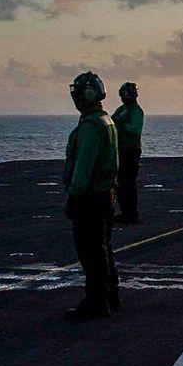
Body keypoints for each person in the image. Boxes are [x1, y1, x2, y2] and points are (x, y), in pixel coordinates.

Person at [62, 71, 119, 319]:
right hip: (106, 194)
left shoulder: (90, 126)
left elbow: (83, 168)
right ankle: (110, 295)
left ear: (86, 94)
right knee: (103, 248)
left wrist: (74, 197)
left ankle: (97, 302)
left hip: (90, 198)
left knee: (90, 251)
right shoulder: (106, 120)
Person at [112, 81, 144, 223]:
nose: (125, 96)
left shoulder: (136, 110)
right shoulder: (121, 110)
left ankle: (131, 213)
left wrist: (122, 125)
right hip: (120, 150)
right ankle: (125, 211)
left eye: (127, 93)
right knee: (121, 183)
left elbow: (136, 130)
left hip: (131, 150)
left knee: (128, 183)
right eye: (123, 93)